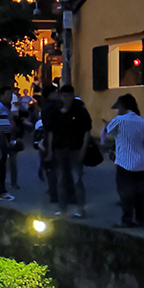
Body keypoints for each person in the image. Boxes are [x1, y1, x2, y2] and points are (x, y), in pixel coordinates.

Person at [101, 93, 144, 228]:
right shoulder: (141, 121)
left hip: (124, 162)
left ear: (122, 107)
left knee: (125, 192)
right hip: (140, 163)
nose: (117, 111)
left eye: (118, 108)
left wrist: (106, 125)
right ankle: (140, 219)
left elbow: (108, 132)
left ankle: (126, 219)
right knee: (139, 194)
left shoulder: (119, 120)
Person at [47, 84, 92, 218]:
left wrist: (83, 149)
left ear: (73, 96)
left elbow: (87, 132)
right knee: (61, 179)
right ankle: (62, 208)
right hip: (59, 149)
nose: (66, 98)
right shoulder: (55, 112)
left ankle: (80, 208)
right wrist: (50, 151)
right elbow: (51, 132)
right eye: (64, 96)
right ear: (61, 96)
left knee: (77, 178)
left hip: (75, 149)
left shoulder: (80, 111)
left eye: (68, 95)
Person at [37, 85, 61, 203]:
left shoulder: (45, 106)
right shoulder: (54, 107)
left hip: (48, 138)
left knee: (51, 168)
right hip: (54, 139)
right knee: (55, 167)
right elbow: (51, 128)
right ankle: (56, 193)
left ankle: (53, 192)